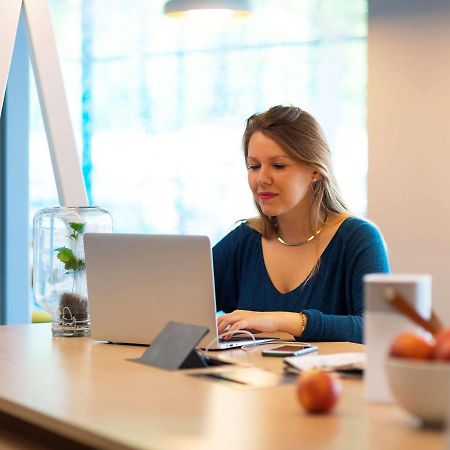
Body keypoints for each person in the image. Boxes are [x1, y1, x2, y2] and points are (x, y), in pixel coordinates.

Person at [214, 105, 389, 344]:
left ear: (315, 171)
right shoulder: (245, 239)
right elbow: (180, 302)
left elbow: (378, 329)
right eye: (254, 166)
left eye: (278, 165)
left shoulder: (358, 238)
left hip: (329, 381)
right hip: (255, 380)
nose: (262, 179)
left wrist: (281, 321)